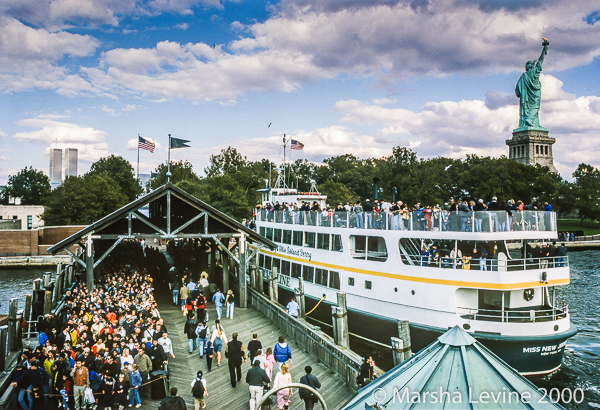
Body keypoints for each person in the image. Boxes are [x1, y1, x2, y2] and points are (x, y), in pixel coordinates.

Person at [515, 39, 549, 128]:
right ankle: (530, 120)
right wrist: (544, 49)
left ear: (527, 67)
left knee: (529, 107)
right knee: (535, 107)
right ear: (532, 66)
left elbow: (517, 91)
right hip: (536, 93)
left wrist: (521, 92)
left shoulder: (523, 76)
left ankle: (533, 123)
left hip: (527, 96)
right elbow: (541, 60)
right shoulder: (534, 71)